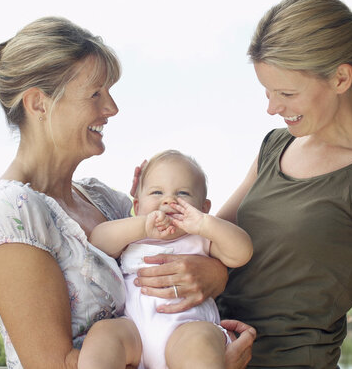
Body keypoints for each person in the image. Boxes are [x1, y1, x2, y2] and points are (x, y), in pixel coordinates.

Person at [0, 16, 255, 369]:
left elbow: (184, 250)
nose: (112, 108)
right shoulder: (12, 212)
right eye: (95, 93)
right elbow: (53, 364)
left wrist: (213, 274)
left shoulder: (107, 200)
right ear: (38, 104)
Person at [213, 0, 352, 368]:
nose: (272, 108)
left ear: (341, 77)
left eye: (287, 93)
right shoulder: (275, 147)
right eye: (268, 91)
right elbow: (211, 240)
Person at [79, 150, 253, 369]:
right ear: (137, 205)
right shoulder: (133, 235)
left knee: (201, 343)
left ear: (203, 208)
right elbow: (99, 241)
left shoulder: (201, 238)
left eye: (183, 193)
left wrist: (205, 225)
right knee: (104, 333)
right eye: (156, 192)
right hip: (134, 333)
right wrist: (141, 225)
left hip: (187, 329)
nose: (169, 200)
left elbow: (241, 252)